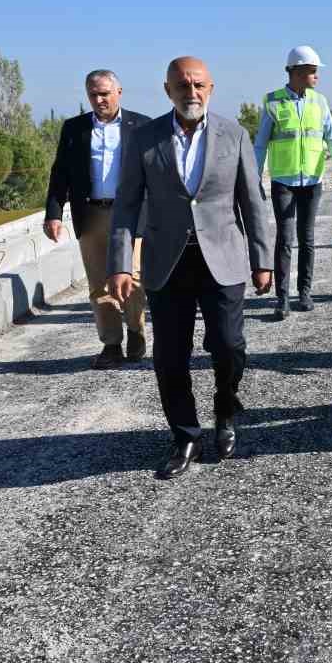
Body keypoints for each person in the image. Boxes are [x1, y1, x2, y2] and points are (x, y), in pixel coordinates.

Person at [109, 57, 273, 479]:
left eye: (198, 85)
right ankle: (185, 435)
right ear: (168, 91)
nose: (191, 92)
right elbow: (127, 204)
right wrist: (121, 264)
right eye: (182, 86)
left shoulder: (233, 134)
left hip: (223, 257)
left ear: (211, 88)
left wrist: (262, 259)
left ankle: (225, 408)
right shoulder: (145, 139)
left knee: (229, 344)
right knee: (170, 355)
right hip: (167, 262)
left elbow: (251, 202)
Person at [43, 70, 150, 368]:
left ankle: (136, 331)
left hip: (131, 214)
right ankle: (112, 344)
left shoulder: (141, 126)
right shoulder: (74, 128)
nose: (99, 99)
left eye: (104, 93)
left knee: (132, 278)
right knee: (98, 284)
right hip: (91, 214)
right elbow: (59, 173)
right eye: (93, 94)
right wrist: (53, 213)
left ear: (119, 91)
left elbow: (157, 174)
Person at [253, 45, 332, 319]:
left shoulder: (319, 102)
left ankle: (304, 293)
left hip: (312, 181)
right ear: (295, 71)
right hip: (283, 181)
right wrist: (254, 177)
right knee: (284, 239)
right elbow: (260, 145)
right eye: (312, 71)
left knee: (307, 239)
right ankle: (281, 299)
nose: (316, 76)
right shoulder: (272, 102)